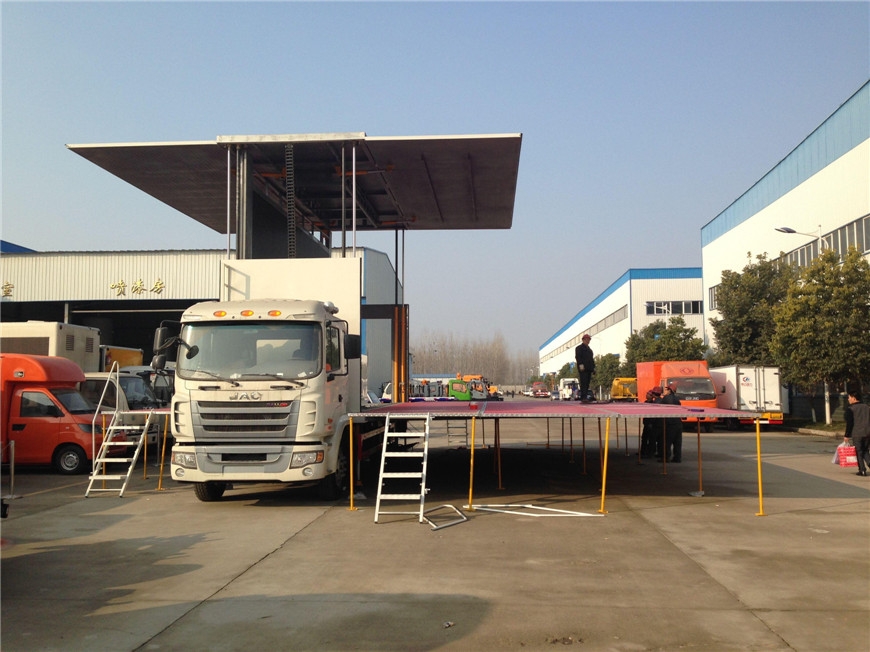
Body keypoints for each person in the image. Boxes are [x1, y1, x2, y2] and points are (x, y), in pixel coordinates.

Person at [844, 388, 870, 477]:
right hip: (868, 432)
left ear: (854, 398)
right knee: (865, 450)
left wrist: (847, 435)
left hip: (857, 433)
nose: (848, 399)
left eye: (849, 397)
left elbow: (850, 423)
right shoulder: (867, 407)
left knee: (858, 451)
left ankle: (862, 470)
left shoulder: (850, 409)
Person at [659, 383, 682, 462]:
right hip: (678, 422)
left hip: (669, 423)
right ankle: (677, 458)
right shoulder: (677, 399)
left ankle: (665, 458)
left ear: (670, 390)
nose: (665, 391)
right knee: (677, 442)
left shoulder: (666, 398)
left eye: (666, 389)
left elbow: (661, 408)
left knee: (667, 441)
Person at [640, 387, 662, 458]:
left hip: (652, 424)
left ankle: (650, 453)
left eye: (649, 394)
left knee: (652, 439)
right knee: (645, 438)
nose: (647, 395)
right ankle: (644, 451)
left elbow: (653, 415)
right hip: (648, 423)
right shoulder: (647, 402)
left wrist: (651, 423)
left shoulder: (655, 403)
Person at [574, 334, 595, 402]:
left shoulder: (590, 350)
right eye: (586, 339)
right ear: (583, 340)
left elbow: (591, 360)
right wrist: (581, 365)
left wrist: (593, 368)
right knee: (584, 383)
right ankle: (583, 397)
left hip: (589, 369)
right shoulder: (579, 348)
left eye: (589, 340)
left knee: (587, 383)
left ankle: (585, 397)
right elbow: (578, 357)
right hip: (583, 369)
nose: (587, 341)